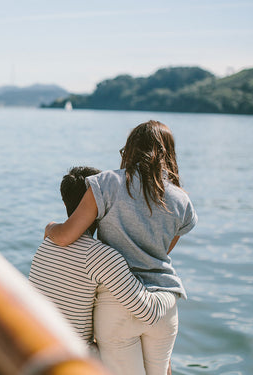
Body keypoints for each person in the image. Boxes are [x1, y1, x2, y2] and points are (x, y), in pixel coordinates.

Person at [44, 120, 197, 375]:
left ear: (130, 149)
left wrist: (50, 228)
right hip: (164, 304)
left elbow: (67, 236)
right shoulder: (182, 200)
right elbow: (163, 251)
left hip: (118, 303)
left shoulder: (105, 183)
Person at [29, 166, 175, 354]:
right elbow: (148, 312)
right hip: (67, 357)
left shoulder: (48, 243)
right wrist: (172, 292)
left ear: (65, 204)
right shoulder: (100, 256)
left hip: (34, 344)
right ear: (99, 204)